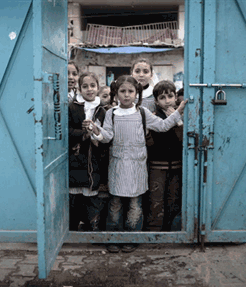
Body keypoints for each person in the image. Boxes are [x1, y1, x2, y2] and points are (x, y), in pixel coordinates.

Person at [87, 75, 187, 253]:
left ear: (137, 94)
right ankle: (114, 238)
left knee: (135, 205)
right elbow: (107, 136)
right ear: (116, 94)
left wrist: (178, 111)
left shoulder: (142, 113)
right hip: (117, 166)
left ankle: (132, 238)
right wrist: (96, 130)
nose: (126, 95)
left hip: (137, 167)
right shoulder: (111, 113)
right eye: (122, 91)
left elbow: (163, 126)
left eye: (130, 91)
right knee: (115, 205)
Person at [68, 72, 107, 231]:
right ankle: (71, 230)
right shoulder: (72, 107)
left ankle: (93, 230)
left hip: (95, 159)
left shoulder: (103, 110)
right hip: (76, 159)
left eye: (92, 86)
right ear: (79, 89)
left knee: (92, 198)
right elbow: (67, 131)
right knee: (74, 199)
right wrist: (83, 133)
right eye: (85, 86)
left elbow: (107, 135)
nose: (89, 89)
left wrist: (96, 132)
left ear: (97, 87)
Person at [144, 80, 183, 232]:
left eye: (170, 96)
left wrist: (177, 120)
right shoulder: (154, 117)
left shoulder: (181, 116)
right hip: (157, 167)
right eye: (162, 98)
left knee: (173, 200)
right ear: (156, 101)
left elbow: (182, 140)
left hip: (176, 166)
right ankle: (154, 233)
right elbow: (152, 144)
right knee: (156, 201)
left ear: (175, 98)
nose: (167, 101)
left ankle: (171, 232)